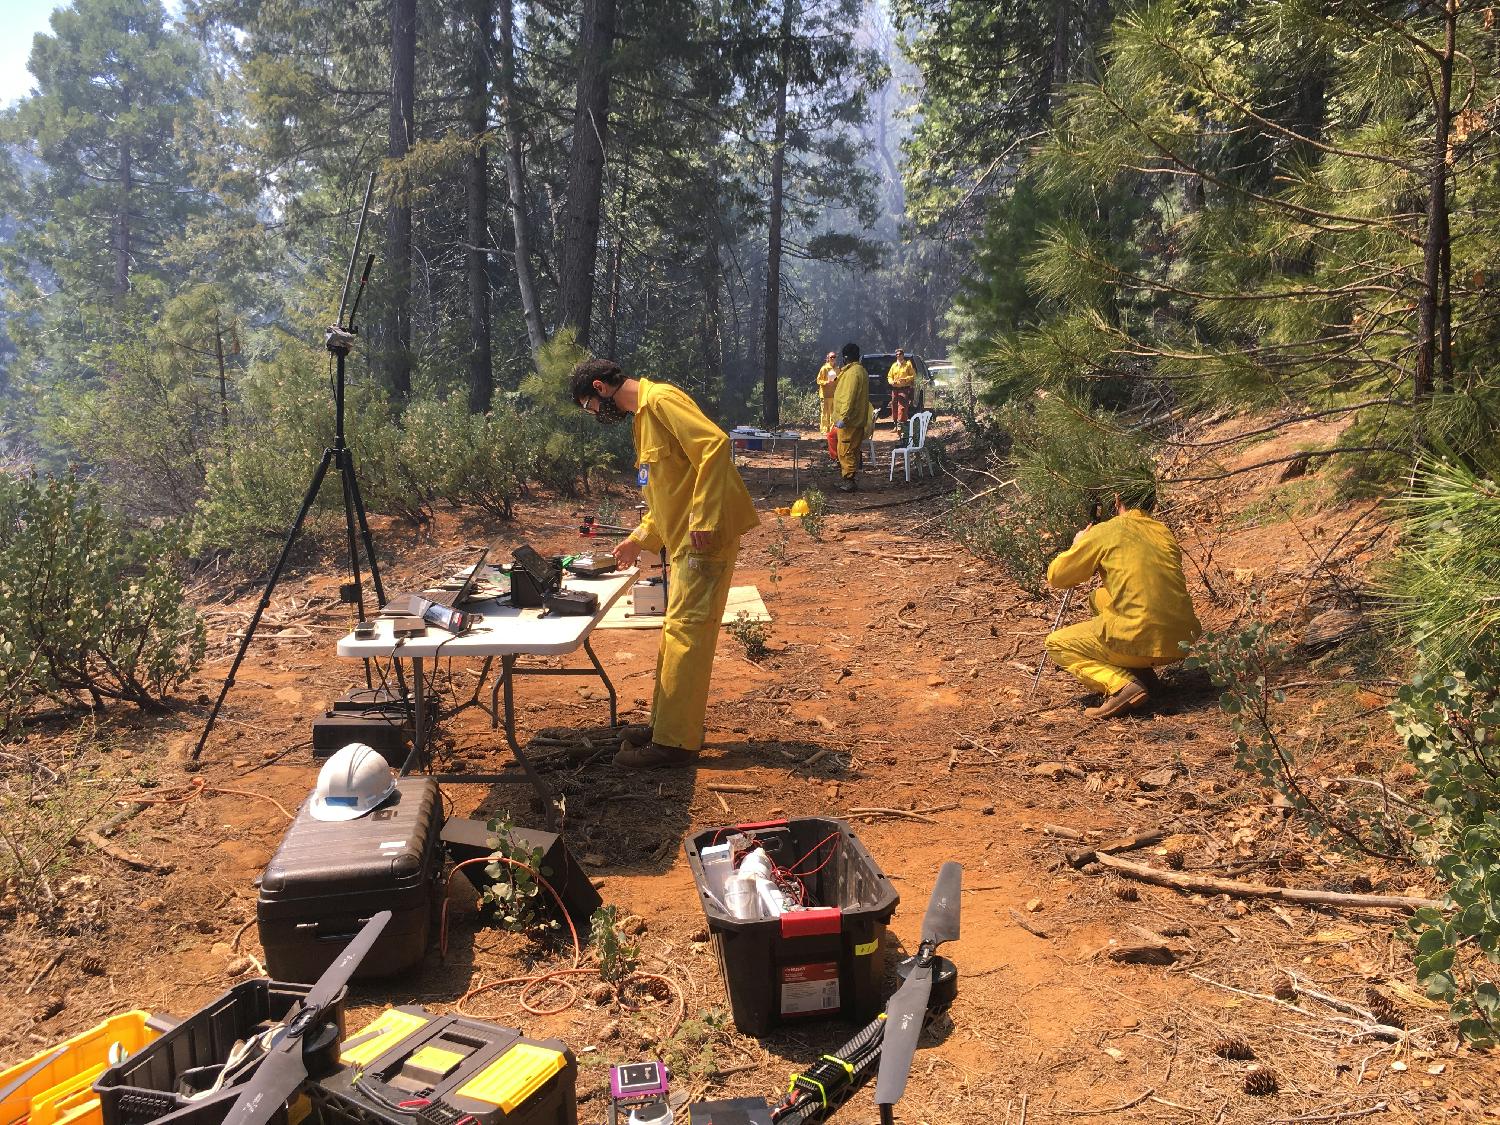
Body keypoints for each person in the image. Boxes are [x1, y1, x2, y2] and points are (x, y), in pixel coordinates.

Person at [569, 358, 760, 768]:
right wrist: (638, 541)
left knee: (685, 637)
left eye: (590, 406)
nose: (595, 415)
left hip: (704, 540)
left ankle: (676, 744)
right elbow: (665, 493)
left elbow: (714, 444)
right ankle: (665, 725)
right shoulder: (643, 420)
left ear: (601, 388)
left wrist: (706, 518)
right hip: (686, 542)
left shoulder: (662, 401)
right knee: (676, 632)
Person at [1043, 484, 1201, 719]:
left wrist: (1078, 546)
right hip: (1181, 640)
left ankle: (1121, 685)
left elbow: (1058, 576)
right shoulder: (1162, 530)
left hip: (1142, 634)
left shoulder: (1107, 530)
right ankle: (1146, 679)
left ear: (1117, 499)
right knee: (1099, 597)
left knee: (1057, 643)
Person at [831, 342, 873, 492]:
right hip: (857, 419)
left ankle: (849, 481)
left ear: (845, 358)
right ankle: (849, 478)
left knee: (846, 450)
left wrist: (844, 418)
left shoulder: (852, 373)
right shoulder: (860, 371)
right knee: (853, 450)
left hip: (850, 421)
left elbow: (849, 398)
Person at [886, 348, 916, 432]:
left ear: (903, 355)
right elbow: (889, 376)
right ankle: (895, 425)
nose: (898, 356)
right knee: (894, 407)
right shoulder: (894, 365)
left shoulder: (908, 365)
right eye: (897, 354)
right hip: (895, 389)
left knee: (902, 408)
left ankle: (901, 425)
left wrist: (906, 379)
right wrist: (891, 382)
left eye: (900, 354)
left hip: (904, 389)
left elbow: (913, 376)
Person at [816, 351, 838, 435]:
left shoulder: (837, 369)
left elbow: (837, 380)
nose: (832, 358)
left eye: (834, 357)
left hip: (834, 395)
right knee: (825, 413)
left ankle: (832, 431)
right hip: (825, 395)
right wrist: (826, 382)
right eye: (831, 357)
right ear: (828, 358)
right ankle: (825, 431)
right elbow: (818, 380)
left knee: (833, 414)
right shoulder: (824, 368)